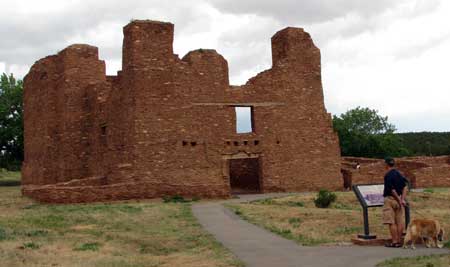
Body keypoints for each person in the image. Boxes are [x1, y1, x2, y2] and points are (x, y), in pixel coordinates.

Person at [382, 157, 408, 248]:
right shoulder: (399, 174)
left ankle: (394, 241)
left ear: (386, 164)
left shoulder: (388, 175)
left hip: (390, 200)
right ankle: (399, 241)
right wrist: (402, 199)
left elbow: (392, 190)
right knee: (399, 221)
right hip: (399, 200)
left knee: (391, 222)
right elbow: (405, 187)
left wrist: (398, 199)